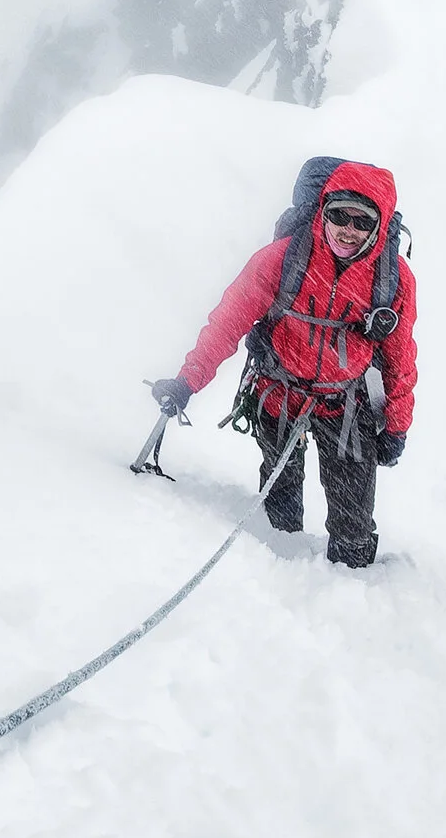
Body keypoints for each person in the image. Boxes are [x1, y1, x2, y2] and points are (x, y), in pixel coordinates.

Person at [150, 160, 417, 567]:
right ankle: (277, 564)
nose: (347, 229)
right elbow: (227, 323)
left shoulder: (392, 279)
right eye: (338, 215)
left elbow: (400, 358)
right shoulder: (284, 260)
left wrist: (396, 425)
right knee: (280, 493)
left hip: (344, 404)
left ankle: (352, 584)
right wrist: (188, 382)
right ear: (322, 212)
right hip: (279, 393)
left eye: (360, 221)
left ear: (379, 228)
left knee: (353, 522)